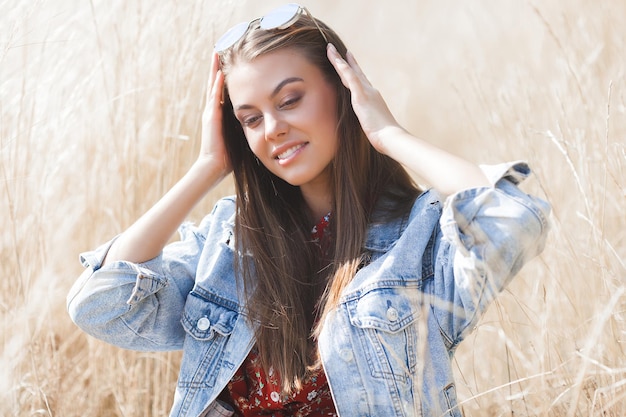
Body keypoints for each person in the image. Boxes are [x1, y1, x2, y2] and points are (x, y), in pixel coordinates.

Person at [67, 3, 551, 417]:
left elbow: (515, 219)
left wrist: (389, 136)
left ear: (343, 92)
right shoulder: (229, 242)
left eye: (290, 100)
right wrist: (207, 166)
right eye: (250, 119)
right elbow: (100, 304)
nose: (272, 128)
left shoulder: (417, 238)